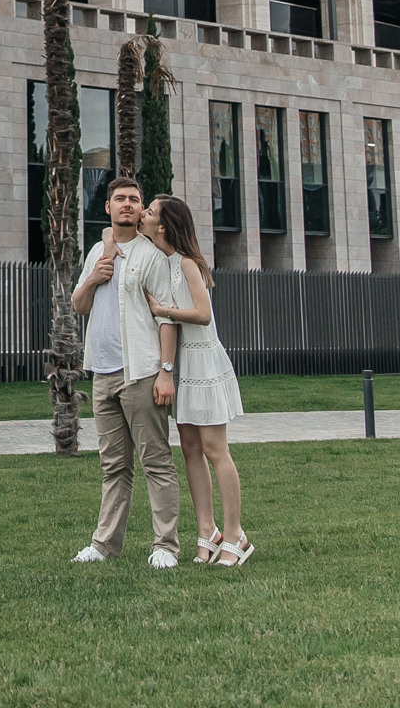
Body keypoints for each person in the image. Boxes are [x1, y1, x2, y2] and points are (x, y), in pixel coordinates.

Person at [68, 174, 184, 569]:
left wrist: (166, 371)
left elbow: (167, 318)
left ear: (140, 209)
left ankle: (165, 546)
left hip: (142, 373)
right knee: (114, 466)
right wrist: (95, 276)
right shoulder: (97, 253)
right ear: (108, 207)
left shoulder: (151, 256)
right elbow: (79, 305)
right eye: (120, 199)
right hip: (102, 374)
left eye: (134, 199)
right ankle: (104, 545)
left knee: (156, 462)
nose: (127, 205)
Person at [141, 195, 252, 568]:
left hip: (203, 362)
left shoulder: (187, 263)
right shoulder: (163, 262)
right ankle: (208, 531)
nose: (143, 214)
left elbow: (203, 314)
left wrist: (163, 310)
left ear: (164, 225)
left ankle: (236, 534)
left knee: (215, 449)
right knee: (190, 449)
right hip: (183, 363)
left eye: (150, 212)